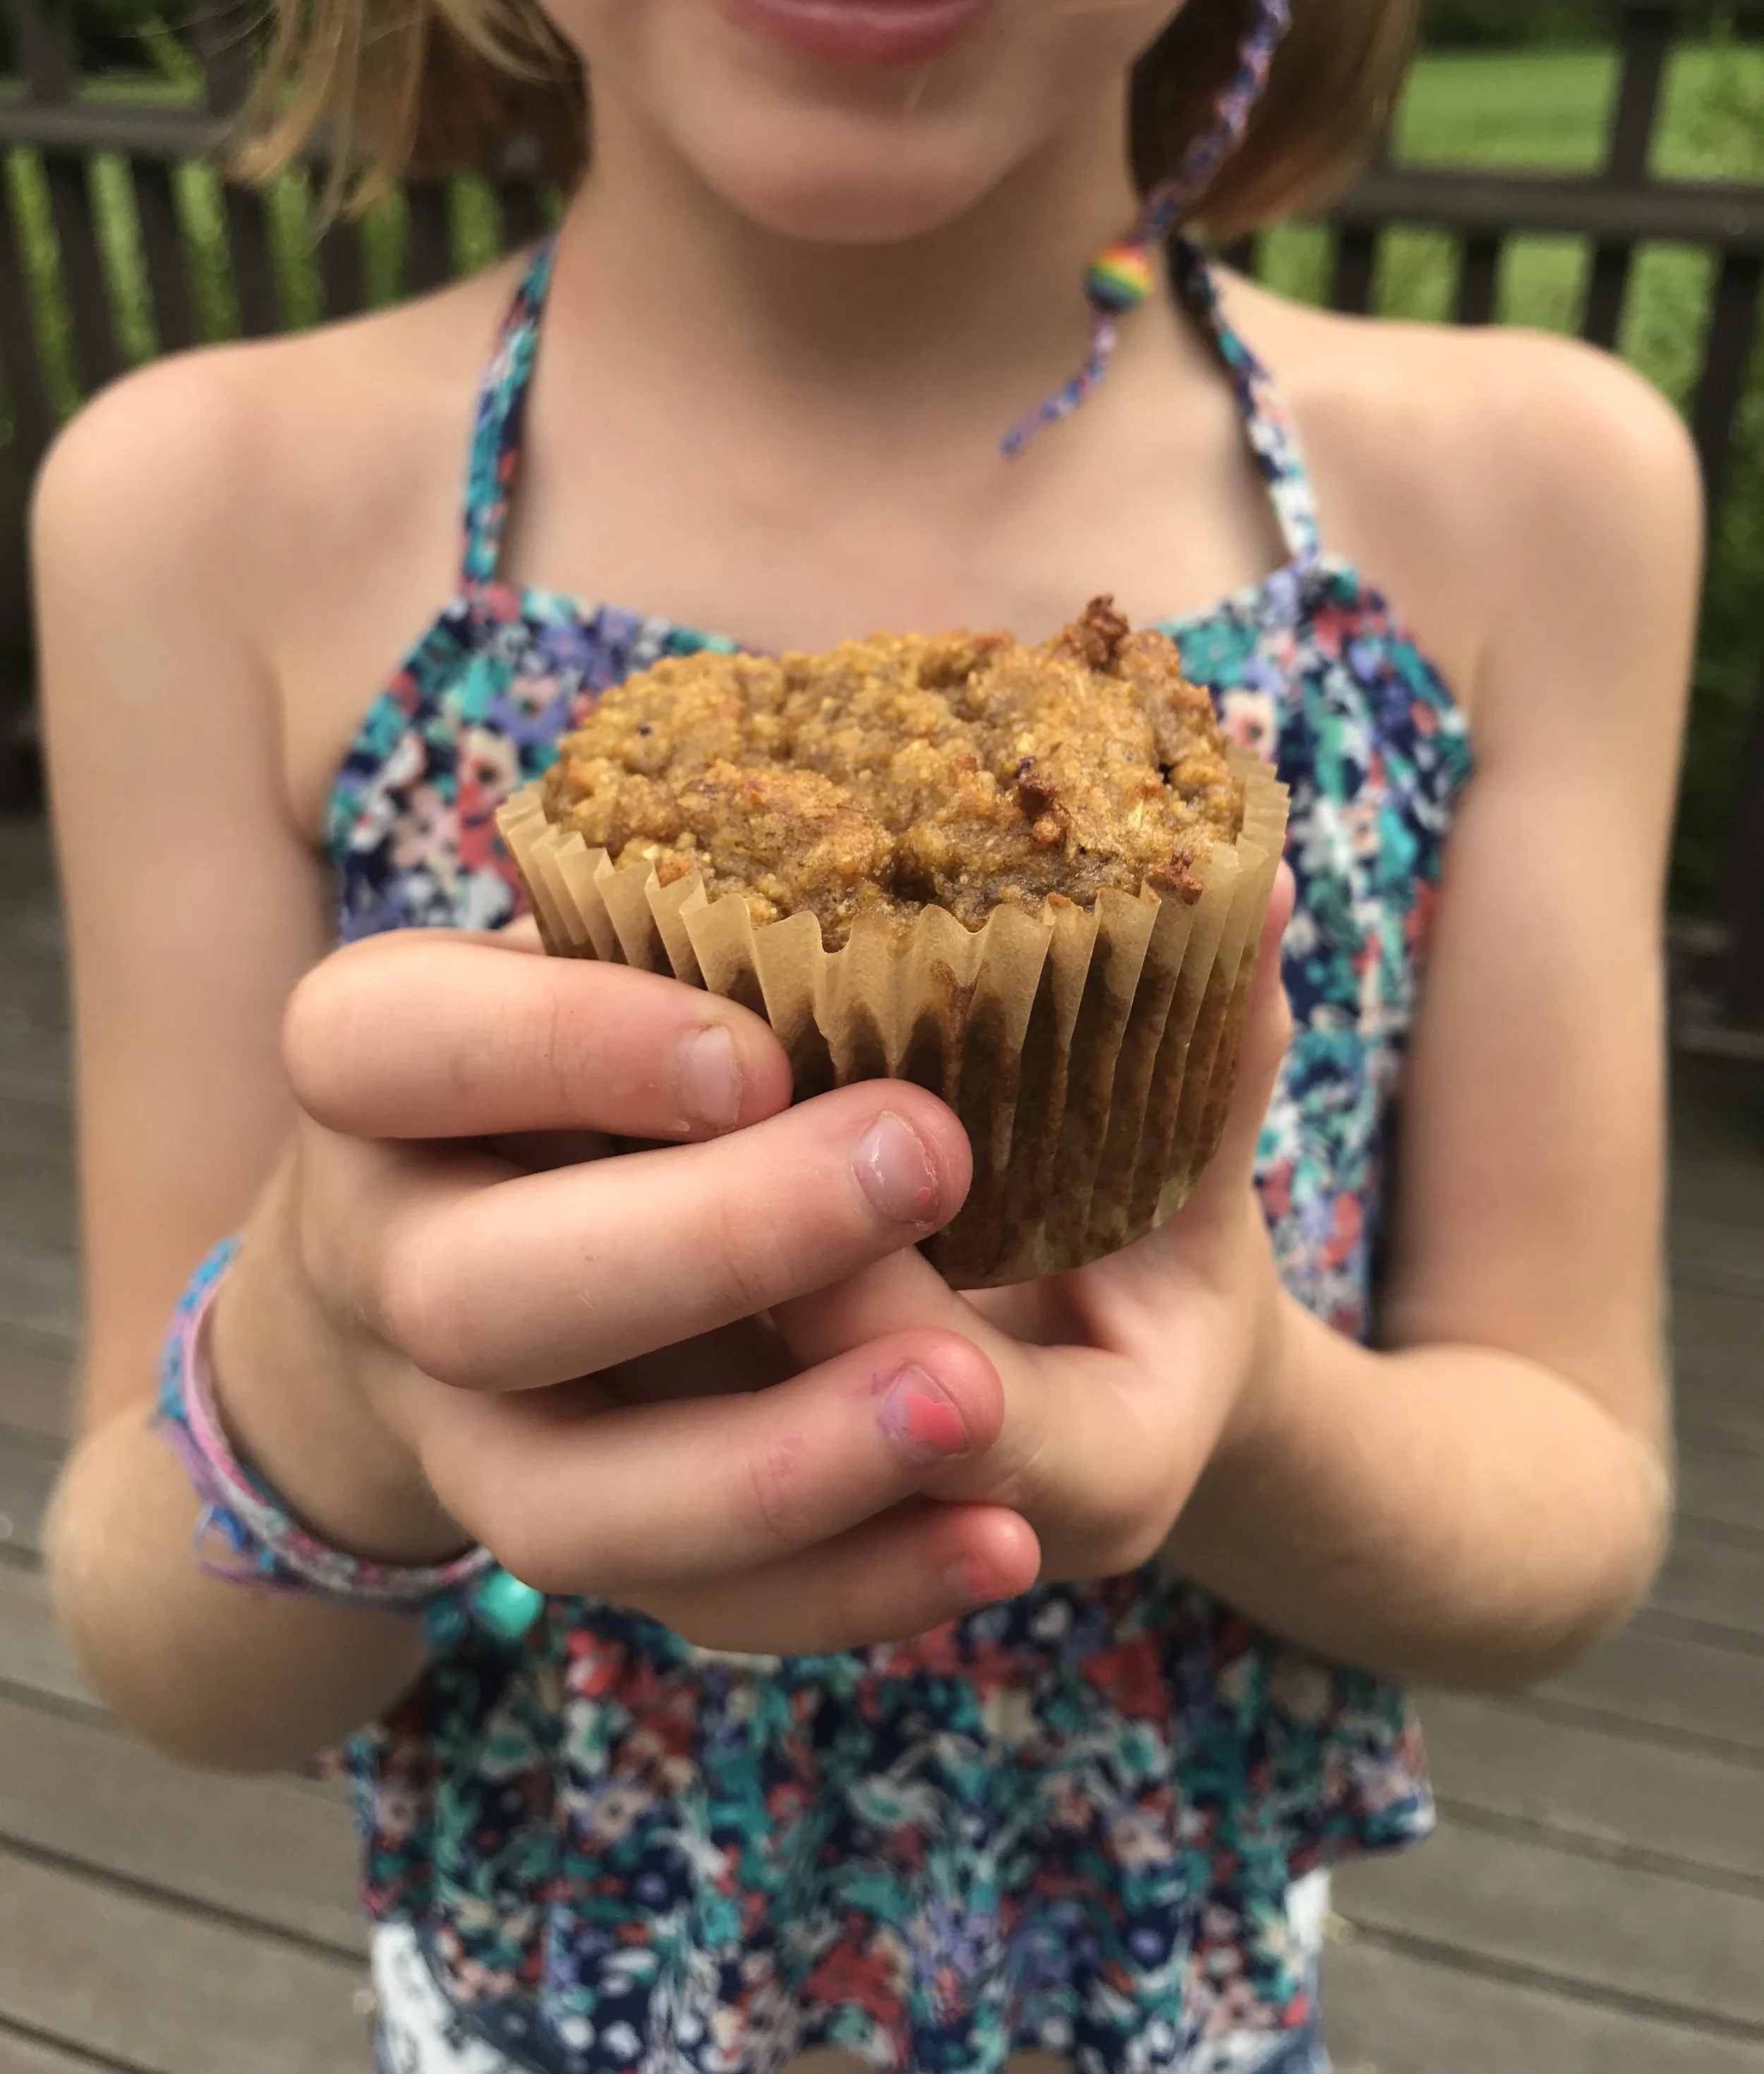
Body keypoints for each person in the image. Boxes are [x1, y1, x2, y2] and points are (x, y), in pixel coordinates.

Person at [35, 0, 1698, 2066]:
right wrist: (324, 1352)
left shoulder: (1535, 497)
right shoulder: (197, 513)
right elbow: (163, 1643)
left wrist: (1246, 1404)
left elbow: (1568, 1500)